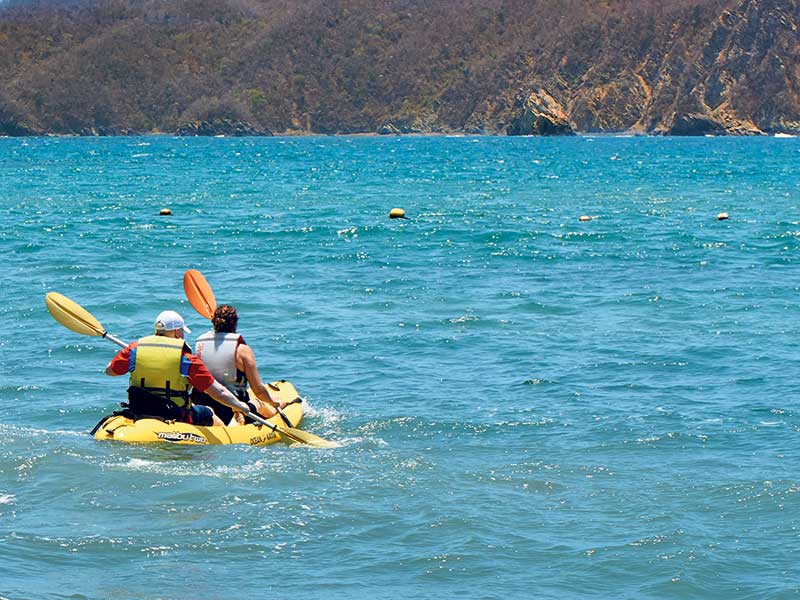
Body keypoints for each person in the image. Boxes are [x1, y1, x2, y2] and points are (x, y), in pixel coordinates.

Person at [105, 310, 253, 427]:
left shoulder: (134, 349)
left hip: (139, 409)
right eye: (181, 332)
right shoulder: (186, 358)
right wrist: (239, 405)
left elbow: (109, 371)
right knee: (209, 412)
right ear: (177, 332)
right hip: (173, 413)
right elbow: (217, 391)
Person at [191, 304, 285, 426]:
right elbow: (258, 390)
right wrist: (272, 402)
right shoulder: (242, 350)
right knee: (260, 403)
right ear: (235, 323)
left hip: (202, 402)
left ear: (214, 323)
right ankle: (274, 411)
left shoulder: (200, 344)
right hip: (233, 406)